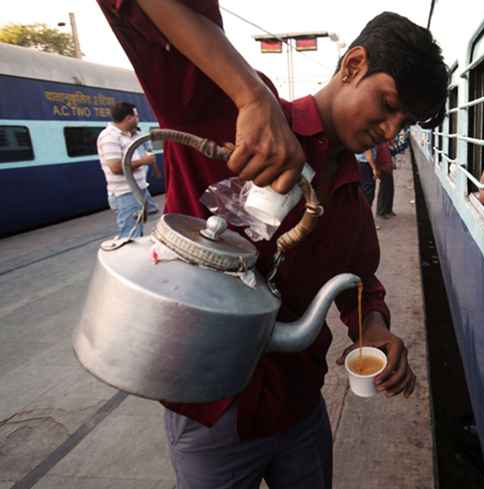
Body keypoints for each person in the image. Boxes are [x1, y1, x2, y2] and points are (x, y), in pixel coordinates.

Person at [96, 2, 447, 488]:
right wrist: (251, 96)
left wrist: (373, 329)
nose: (389, 132)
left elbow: (358, 284)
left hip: (300, 409)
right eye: (388, 106)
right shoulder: (227, 109)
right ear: (353, 65)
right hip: (210, 413)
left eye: (403, 123)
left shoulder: (350, 199)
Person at [97, 101, 159, 238]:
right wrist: (144, 161)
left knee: (141, 224)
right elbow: (115, 167)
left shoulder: (132, 134)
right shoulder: (109, 137)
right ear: (128, 118)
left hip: (138, 189)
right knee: (131, 235)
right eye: (136, 116)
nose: (138, 119)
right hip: (125, 194)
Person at [375, 142, 396, 218]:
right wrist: (377, 169)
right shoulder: (378, 144)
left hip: (388, 168)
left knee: (390, 190)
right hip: (383, 169)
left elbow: (388, 155)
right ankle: (381, 212)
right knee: (384, 191)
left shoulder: (385, 144)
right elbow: (376, 158)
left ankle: (388, 209)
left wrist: (391, 164)